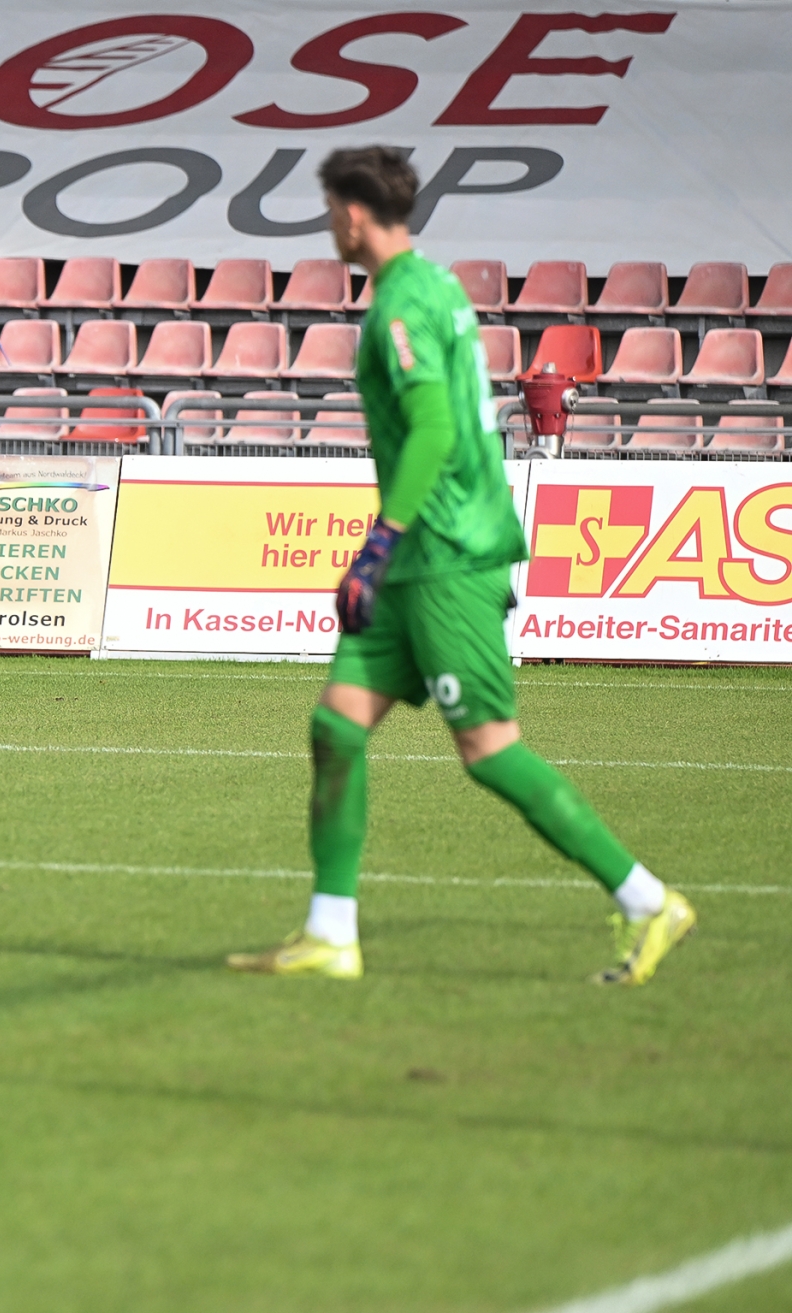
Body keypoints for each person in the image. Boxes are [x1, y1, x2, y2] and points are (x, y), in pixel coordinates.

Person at [227, 147, 695, 985]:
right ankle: (330, 933)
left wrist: (378, 541)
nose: (330, 224)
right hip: (420, 557)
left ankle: (648, 899)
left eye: (331, 209)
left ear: (353, 214)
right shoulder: (437, 288)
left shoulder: (403, 303)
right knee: (336, 727)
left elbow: (436, 428)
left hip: (444, 553)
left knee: (488, 748)